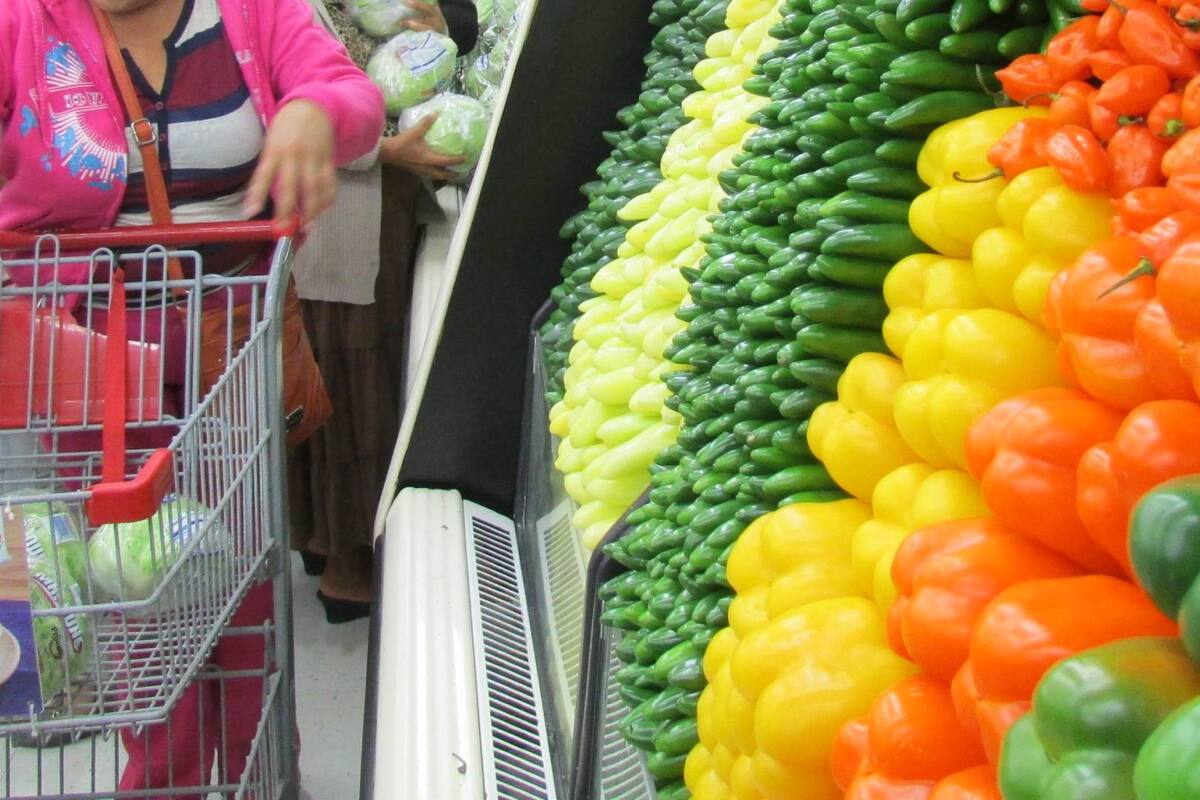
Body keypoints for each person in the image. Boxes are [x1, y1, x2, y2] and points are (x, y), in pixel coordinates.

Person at [0, 0, 383, 791]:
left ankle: (260, 770)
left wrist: (313, 109)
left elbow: (353, 98)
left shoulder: (252, 10)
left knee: (241, 587)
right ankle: (163, 780)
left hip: (232, 358)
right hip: (90, 367)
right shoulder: (23, 23)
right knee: (133, 590)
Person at [289, 0, 478, 623]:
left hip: (381, 213)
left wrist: (440, 43)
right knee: (349, 385)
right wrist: (386, 152)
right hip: (337, 222)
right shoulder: (277, 16)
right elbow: (279, 116)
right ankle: (347, 563)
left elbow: (404, 75)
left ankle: (340, 545)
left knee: (368, 376)